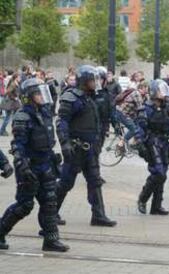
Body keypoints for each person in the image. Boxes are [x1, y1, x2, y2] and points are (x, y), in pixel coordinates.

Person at [0, 78, 68, 252]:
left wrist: (54, 158)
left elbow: (47, 140)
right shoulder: (22, 116)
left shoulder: (45, 113)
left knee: (49, 202)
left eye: (42, 92)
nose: (41, 96)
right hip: (30, 166)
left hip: (46, 164)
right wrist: (22, 166)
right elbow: (17, 145)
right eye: (38, 93)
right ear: (29, 96)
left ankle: (51, 241)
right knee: (25, 205)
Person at [56, 65, 117, 227]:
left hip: (90, 148)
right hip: (76, 148)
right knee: (66, 182)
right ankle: (50, 212)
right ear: (84, 80)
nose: (95, 83)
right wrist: (65, 143)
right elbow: (62, 122)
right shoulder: (71, 97)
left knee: (95, 181)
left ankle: (98, 215)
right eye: (92, 80)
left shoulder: (90, 97)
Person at [136, 80, 169, 215]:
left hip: (165, 144)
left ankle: (156, 206)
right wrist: (140, 144)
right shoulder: (145, 109)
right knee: (158, 173)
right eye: (160, 91)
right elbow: (140, 129)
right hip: (153, 143)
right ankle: (143, 198)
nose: (163, 94)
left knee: (163, 175)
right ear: (153, 92)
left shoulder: (166, 108)